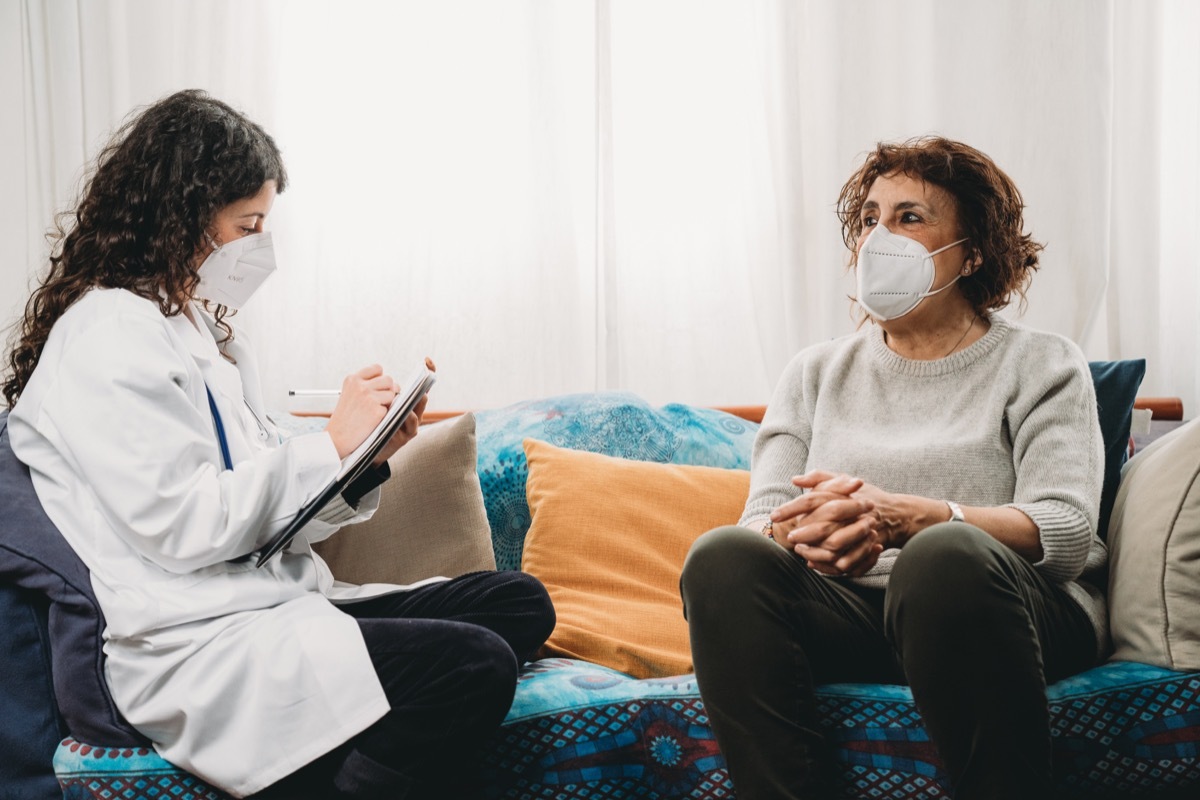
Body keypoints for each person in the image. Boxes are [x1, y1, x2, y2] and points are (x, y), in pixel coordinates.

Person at [3, 89, 554, 799]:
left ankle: (361, 742)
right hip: (192, 639)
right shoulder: (106, 335)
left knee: (518, 603)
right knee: (474, 664)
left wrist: (360, 464)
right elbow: (184, 525)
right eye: (248, 224)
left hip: (265, 600)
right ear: (181, 217)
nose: (262, 246)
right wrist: (327, 444)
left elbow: (271, 518)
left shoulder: (197, 330)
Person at [680, 137, 1104, 800]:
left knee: (945, 555)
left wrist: (915, 519)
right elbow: (760, 521)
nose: (881, 236)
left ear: (972, 251)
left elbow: (1067, 531)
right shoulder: (815, 371)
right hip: (856, 614)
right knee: (722, 556)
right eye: (870, 219)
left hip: (1002, 610)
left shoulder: (1044, 363)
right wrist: (806, 532)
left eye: (910, 218)